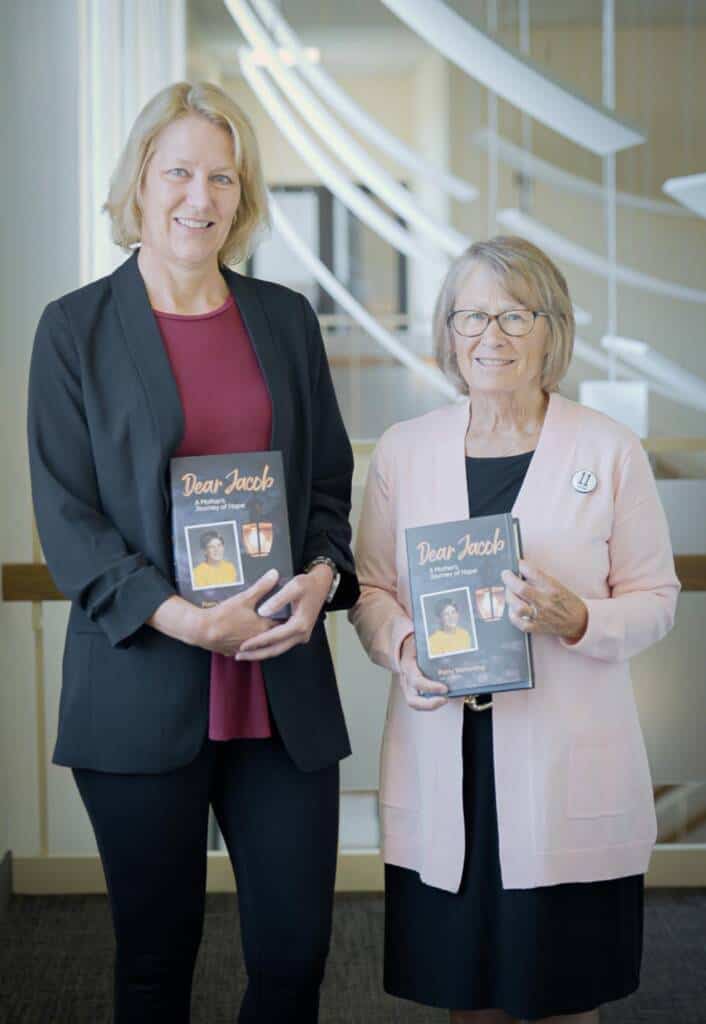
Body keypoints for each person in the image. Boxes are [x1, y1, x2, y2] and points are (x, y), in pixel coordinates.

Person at [27, 81, 358, 1024]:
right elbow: (69, 521)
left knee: (294, 964)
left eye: (221, 175)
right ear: (140, 180)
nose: (199, 196)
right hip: (141, 687)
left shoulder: (285, 319)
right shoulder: (73, 330)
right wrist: (183, 618)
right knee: (153, 966)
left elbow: (327, 488)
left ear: (242, 195)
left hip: (280, 692)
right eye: (178, 171)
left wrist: (322, 575)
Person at [350, 236, 680, 1024]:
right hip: (448, 759)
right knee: (469, 996)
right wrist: (401, 646)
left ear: (551, 328)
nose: (489, 336)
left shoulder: (607, 448)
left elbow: (657, 596)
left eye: (513, 314)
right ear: (447, 328)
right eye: (470, 315)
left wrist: (582, 619)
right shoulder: (405, 451)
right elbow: (371, 591)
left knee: (564, 995)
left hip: (564, 763)